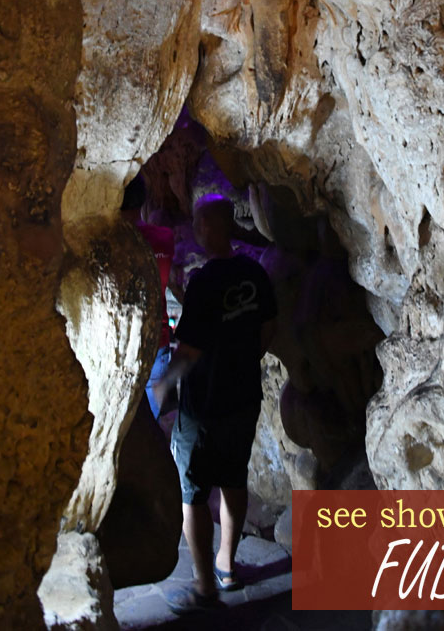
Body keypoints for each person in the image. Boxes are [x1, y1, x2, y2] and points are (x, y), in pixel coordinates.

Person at [154, 194, 276, 613]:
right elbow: (268, 327)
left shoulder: (204, 282)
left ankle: (205, 585)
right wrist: (242, 358)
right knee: (234, 479)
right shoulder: (254, 273)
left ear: (207, 227)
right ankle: (227, 565)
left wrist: (163, 385)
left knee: (193, 491)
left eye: (197, 223)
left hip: (203, 405)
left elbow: (189, 349)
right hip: (243, 396)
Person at [120, 174, 176, 419]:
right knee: (150, 419)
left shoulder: (114, 243)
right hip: (157, 342)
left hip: (124, 347)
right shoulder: (164, 237)